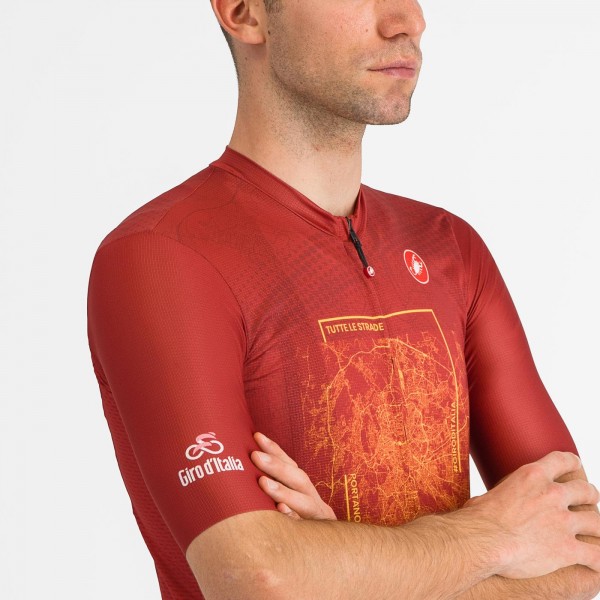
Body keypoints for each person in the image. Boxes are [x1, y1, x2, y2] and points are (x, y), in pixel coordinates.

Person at [86, 1, 600, 598]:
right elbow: (259, 577)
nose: (408, 21)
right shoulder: (162, 256)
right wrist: (490, 535)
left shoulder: (449, 247)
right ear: (245, 13)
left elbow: (585, 552)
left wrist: (343, 570)